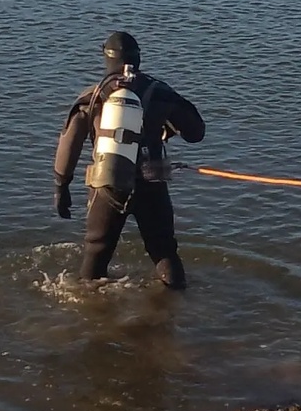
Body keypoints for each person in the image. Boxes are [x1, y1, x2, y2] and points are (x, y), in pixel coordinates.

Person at [53, 31, 205, 289]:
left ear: (106, 58)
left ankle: (87, 313)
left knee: (96, 253)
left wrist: (61, 186)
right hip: (151, 184)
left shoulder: (91, 98)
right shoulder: (160, 93)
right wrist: (166, 122)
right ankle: (177, 308)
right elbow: (196, 133)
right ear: (138, 58)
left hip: (108, 184)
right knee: (163, 250)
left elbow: (70, 144)